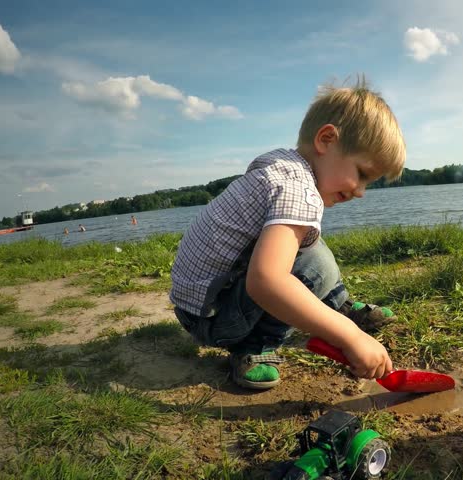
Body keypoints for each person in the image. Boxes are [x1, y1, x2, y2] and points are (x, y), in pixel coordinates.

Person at [170, 77, 405, 390]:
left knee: (308, 244)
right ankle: (254, 346)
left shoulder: (284, 166)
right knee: (311, 266)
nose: (361, 191)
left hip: (199, 308)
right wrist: (351, 338)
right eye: (361, 173)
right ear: (326, 140)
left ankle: (339, 306)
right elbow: (267, 281)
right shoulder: (298, 190)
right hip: (215, 321)